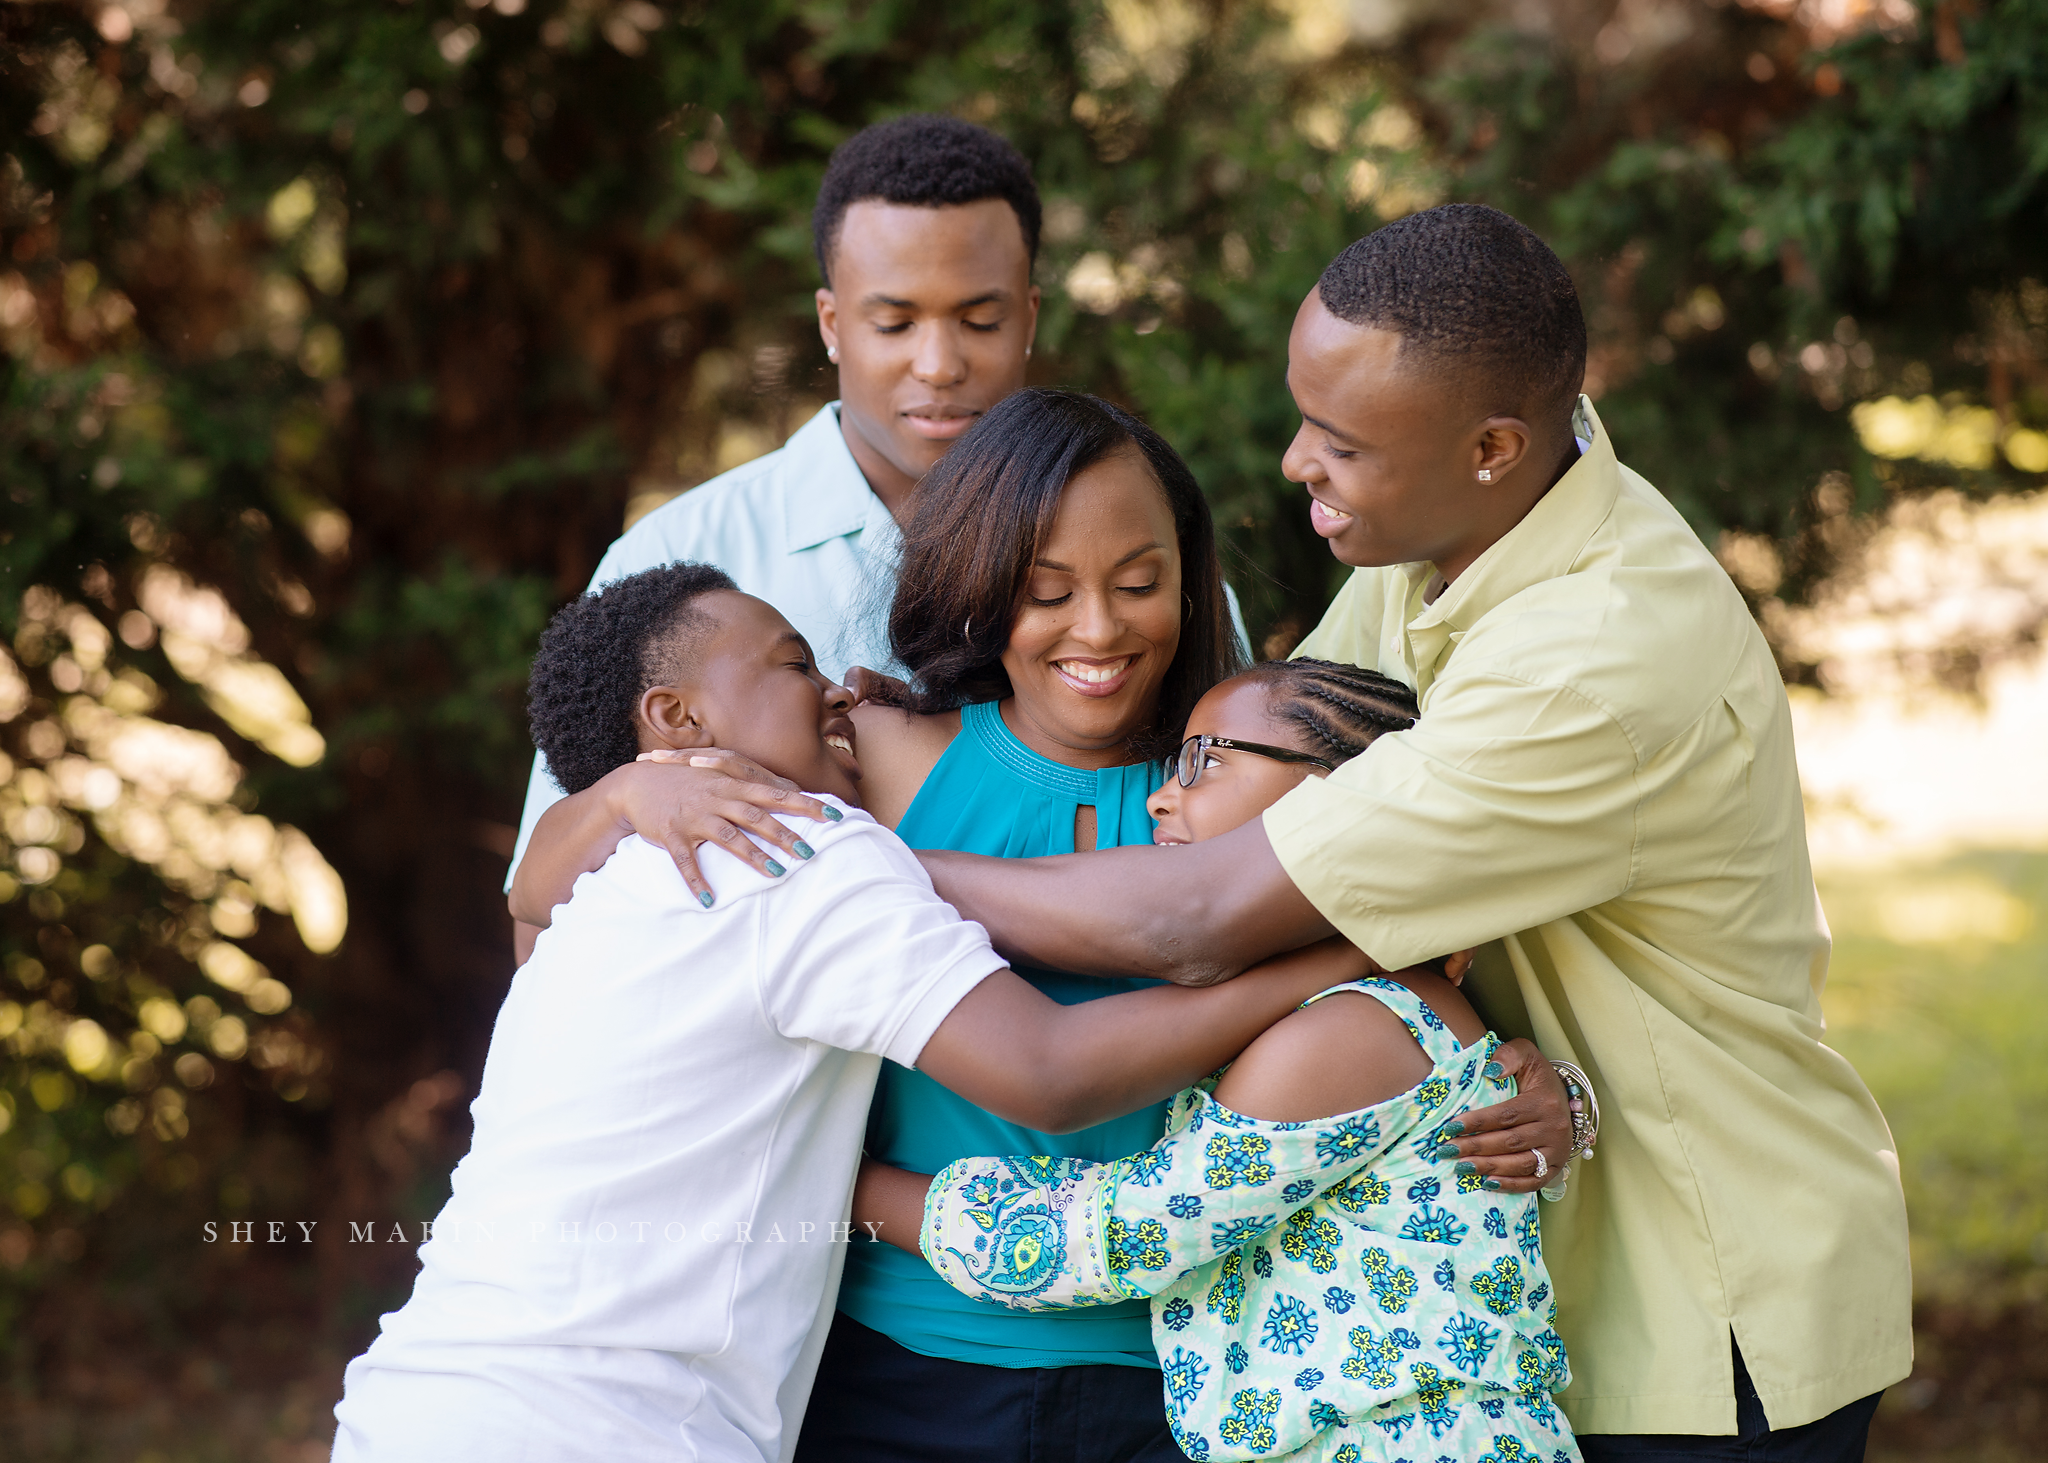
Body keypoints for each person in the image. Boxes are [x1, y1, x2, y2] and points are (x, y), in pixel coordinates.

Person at [905, 206, 1915, 1460]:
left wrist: (875, 863)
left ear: (1491, 444)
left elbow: (1198, 910)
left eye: (1337, 441)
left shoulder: (1585, 661)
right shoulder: (1444, 531)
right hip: (1516, 1279)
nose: (1291, 464)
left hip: (1702, 1295)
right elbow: (1288, 766)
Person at [334, 564, 1376, 1463]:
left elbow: (527, 894)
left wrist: (616, 797)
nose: (836, 688)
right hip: (600, 1424)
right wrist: (1344, 949)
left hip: (417, 1401)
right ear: (676, 719)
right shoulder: (794, 848)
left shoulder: (609, 883)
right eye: (792, 664)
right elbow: (1051, 1069)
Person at [855, 658, 1582, 1463]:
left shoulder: (1349, 1031)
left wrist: (849, 1185)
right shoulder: (1343, 999)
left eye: (1205, 762)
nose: (1164, 797)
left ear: (1334, 795)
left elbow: (1103, 1242)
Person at [504, 112, 1045, 939]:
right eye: (893, 323)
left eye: (980, 320)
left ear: (1031, 318)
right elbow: (541, 908)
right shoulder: (675, 559)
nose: (938, 364)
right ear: (831, 323)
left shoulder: (1122, 559)